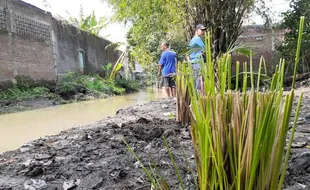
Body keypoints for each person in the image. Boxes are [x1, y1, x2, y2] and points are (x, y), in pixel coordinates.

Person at [187, 24, 207, 91]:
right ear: (197, 30)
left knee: (196, 80)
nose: (203, 32)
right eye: (201, 30)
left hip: (193, 63)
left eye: (203, 30)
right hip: (198, 62)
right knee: (200, 79)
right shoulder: (198, 39)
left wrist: (189, 61)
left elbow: (187, 53)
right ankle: (201, 96)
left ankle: (197, 96)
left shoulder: (192, 40)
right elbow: (204, 51)